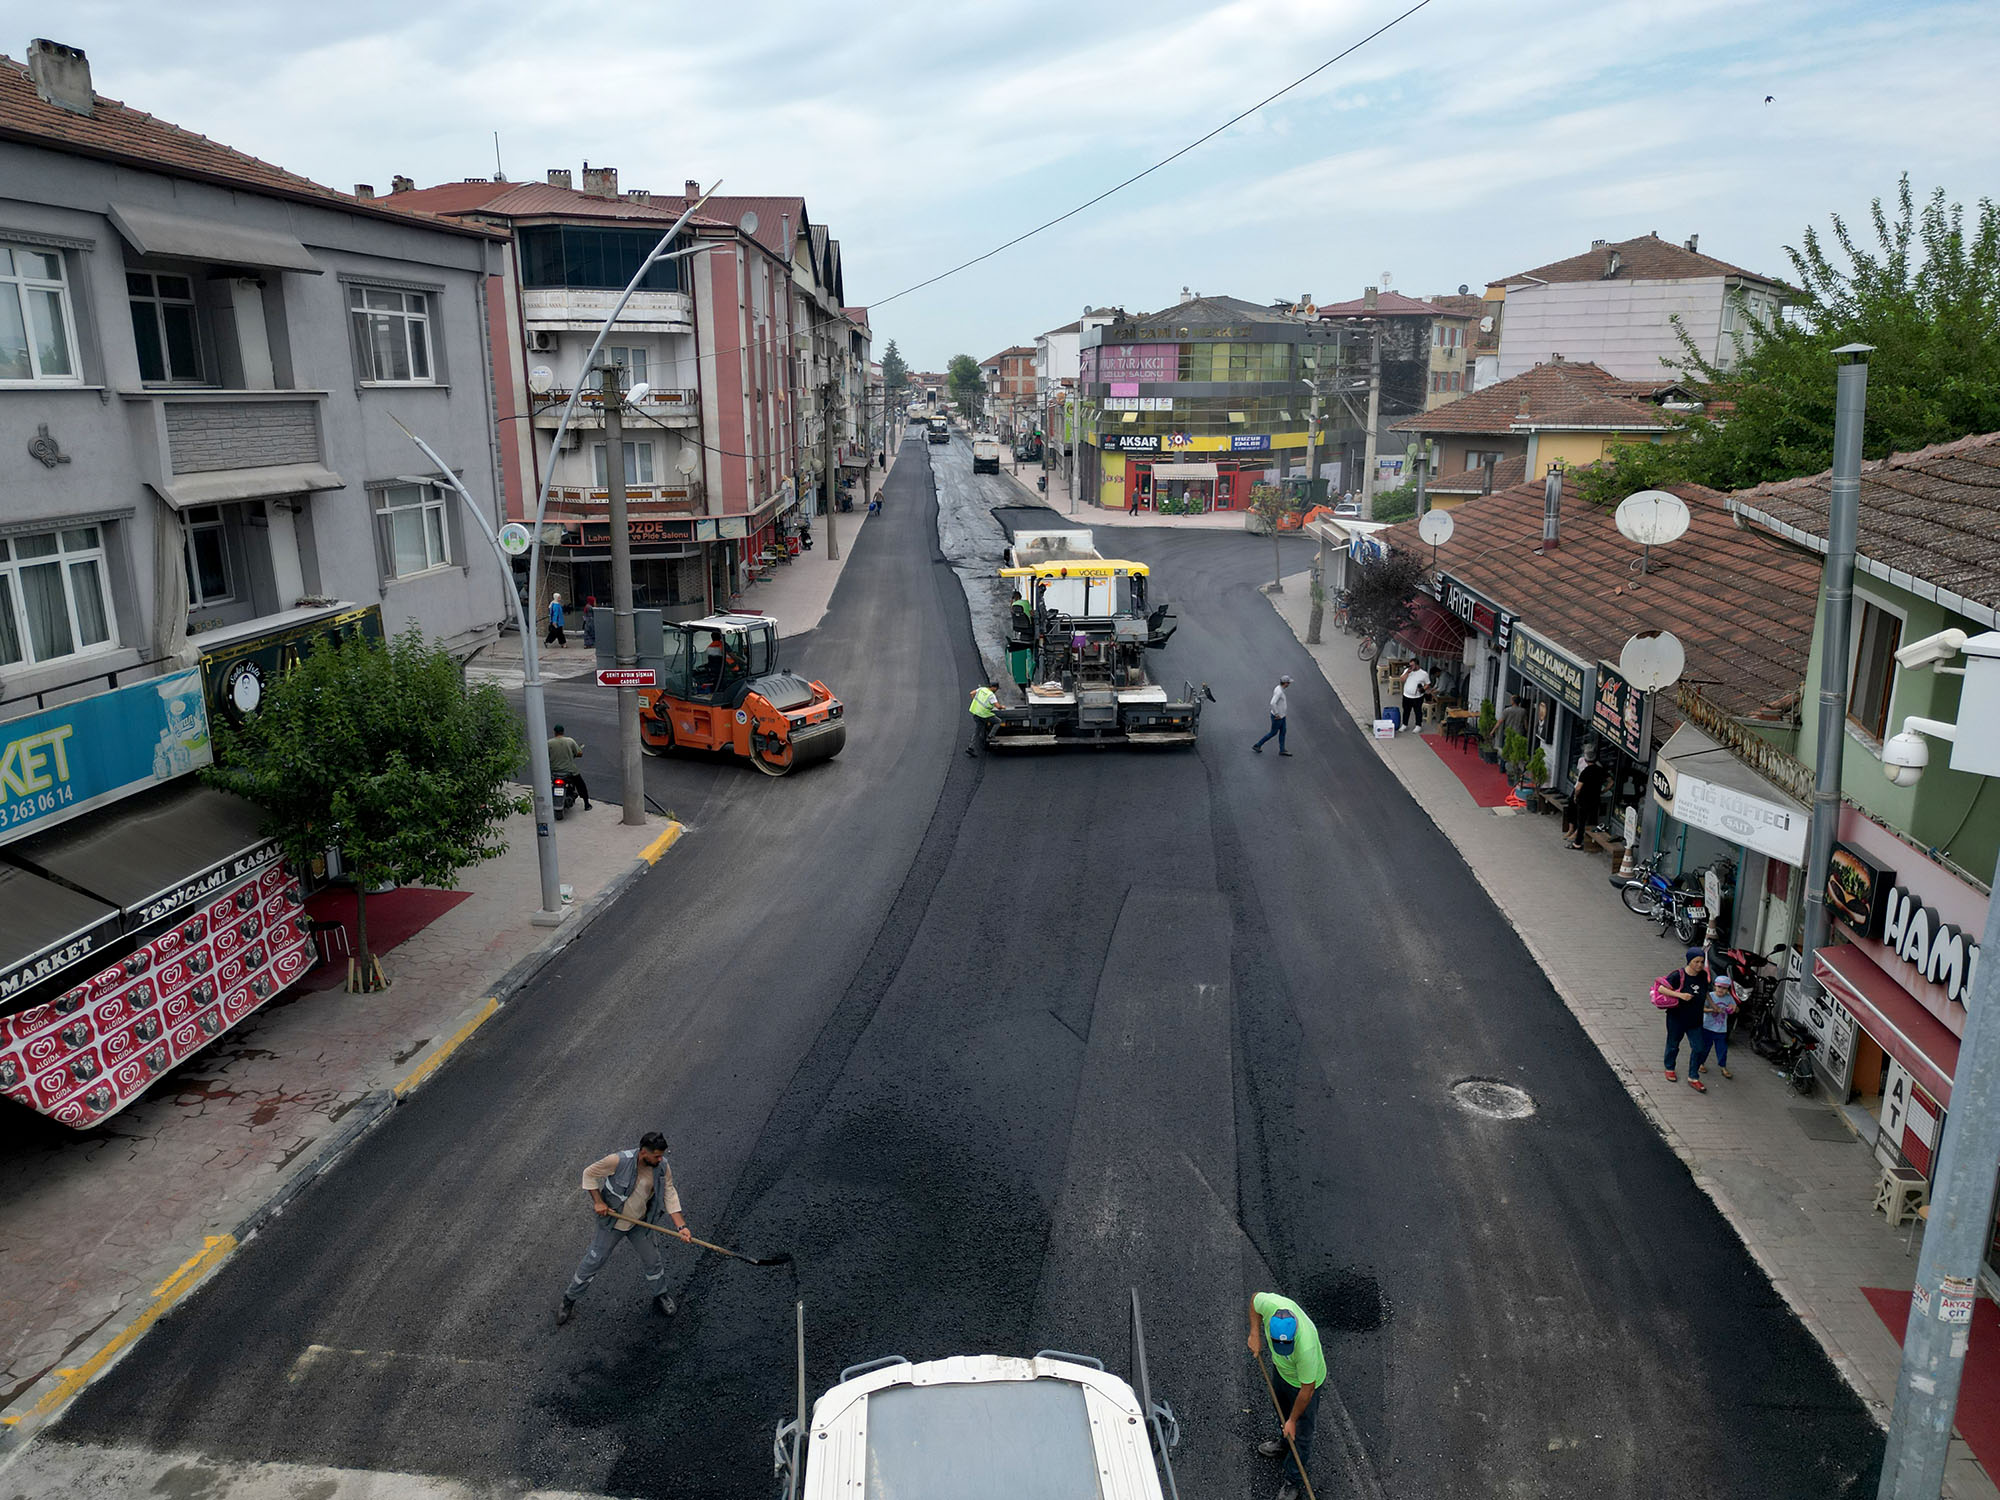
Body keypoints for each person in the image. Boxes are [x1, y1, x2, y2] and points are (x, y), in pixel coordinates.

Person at [557, 1131, 693, 1325]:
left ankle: (660, 1294)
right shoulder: (617, 1161)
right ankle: (569, 1299)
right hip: (613, 1223)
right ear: (643, 1153)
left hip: (640, 1223)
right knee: (594, 1261)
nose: (661, 1159)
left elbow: (670, 1193)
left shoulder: (662, 1166)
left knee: (653, 1261)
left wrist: (682, 1227)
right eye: (657, 1155)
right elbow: (588, 1174)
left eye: (662, 1155)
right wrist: (598, 1201)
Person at [1249, 1292, 1325, 1500]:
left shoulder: (1306, 1347)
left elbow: (1306, 1391)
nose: (1284, 1351)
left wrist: (1293, 1420)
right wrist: (1254, 1333)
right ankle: (1284, 1442)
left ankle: (1293, 1481)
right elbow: (1254, 1300)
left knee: (1301, 1434)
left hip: (1305, 1384)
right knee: (1281, 1411)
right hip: (1281, 1373)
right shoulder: (1271, 1304)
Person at [1657, 947, 1713, 1090]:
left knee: (1699, 1048)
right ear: (1689, 961)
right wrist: (1681, 996)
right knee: (1673, 1044)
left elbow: (1705, 991)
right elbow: (1661, 989)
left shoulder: (1703, 975)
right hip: (1677, 1018)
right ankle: (1669, 1068)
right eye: (1696, 962)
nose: (1700, 965)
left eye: (1702, 962)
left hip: (1695, 1019)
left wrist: (1714, 1005)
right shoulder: (1678, 975)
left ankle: (1693, 1076)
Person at [1692, 968, 1739, 1081]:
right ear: (1715, 986)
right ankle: (1700, 1064)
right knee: (1705, 1048)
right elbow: (1702, 1009)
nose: (1721, 990)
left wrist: (1734, 1008)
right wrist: (1712, 1010)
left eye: (1724, 988)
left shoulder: (1729, 998)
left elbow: (1736, 1009)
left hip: (1721, 1029)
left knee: (1722, 1049)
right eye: (1719, 987)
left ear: (1728, 990)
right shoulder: (1711, 996)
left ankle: (1723, 1066)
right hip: (1707, 1027)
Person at [1565, 748, 1608, 850]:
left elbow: (1578, 787)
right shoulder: (1600, 770)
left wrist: (1576, 796)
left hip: (1584, 800)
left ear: (1586, 760)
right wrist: (1603, 791)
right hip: (1595, 799)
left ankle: (1578, 843)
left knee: (1581, 822)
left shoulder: (1585, 772)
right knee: (1593, 821)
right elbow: (1611, 782)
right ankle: (1592, 844)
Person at [547, 724, 590, 811]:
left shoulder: (549, 743)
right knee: (581, 786)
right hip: (569, 771)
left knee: (547, 785)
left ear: (554, 732)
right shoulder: (570, 741)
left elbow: (546, 756)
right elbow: (579, 753)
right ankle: (586, 804)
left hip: (554, 771)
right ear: (563, 732)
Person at [1252, 676, 1293, 756]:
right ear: (1285, 683)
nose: (1289, 684)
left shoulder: (1279, 688)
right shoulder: (1279, 692)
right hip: (1278, 717)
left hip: (1282, 716)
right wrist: (1277, 714)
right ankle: (1258, 745)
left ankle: (1282, 749)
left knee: (1283, 731)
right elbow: (1272, 703)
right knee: (1273, 733)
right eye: (1288, 683)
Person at [966, 682, 1000, 756]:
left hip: (976, 713)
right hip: (984, 715)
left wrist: (975, 701)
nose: (996, 690)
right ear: (993, 687)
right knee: (998, 721)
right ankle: (991, 736)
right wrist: (1002, 707)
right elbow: (997, 706)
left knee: (977, 731)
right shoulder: (991, 695)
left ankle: (970, 747)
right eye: (996, 689)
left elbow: (971, 693)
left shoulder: (981, 689)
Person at [1400, 661, 1431, 733]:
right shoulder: (1407, 671)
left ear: (1417, 665)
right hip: (1407, 695)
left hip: (1417, 697)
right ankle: (1404, 724)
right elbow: (1401, 680)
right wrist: (1407, 673)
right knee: (1406, 711)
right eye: (1410, 665)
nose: (1410, 667)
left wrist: (1423, 689)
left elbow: (1428, 683)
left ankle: (1418, 725)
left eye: (1412, 665)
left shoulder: (1424, 674)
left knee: (1417, 711)